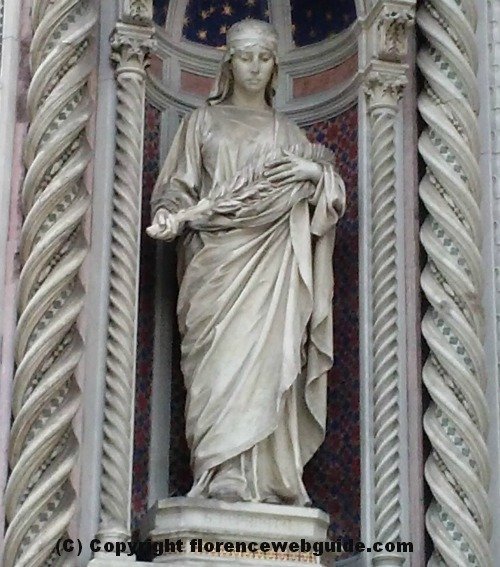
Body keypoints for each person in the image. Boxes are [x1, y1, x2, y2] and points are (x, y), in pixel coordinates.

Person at [148, 19, 345, 506]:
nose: (254, 67)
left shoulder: (289, 132)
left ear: (275, 65)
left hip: (273, 266)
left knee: (267, 359)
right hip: (215, 265)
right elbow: (177, 186)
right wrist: (170, 215)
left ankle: (263, 475)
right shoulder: (203, 123)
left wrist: (312, 173)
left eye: (263, 58)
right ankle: (219, 470)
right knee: (219, 365)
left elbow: (327, 196)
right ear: (228, 63)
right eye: (244, 57)